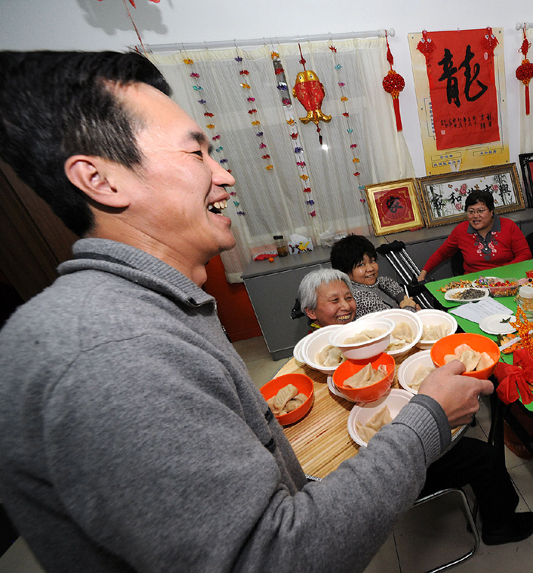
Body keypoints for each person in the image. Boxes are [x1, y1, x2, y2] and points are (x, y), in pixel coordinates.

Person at [0, 50, 498, 572]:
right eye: (196, 154)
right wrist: (428, 419)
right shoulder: (113, 353)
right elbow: (272, 555)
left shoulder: (152, 309)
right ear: (100, 180)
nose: (226, 176)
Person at [299, 268, 533, 546]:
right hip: (381, 470)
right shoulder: (316, 362)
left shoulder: (362, 340)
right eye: (334, 301)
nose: (345, 306)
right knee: (486, 456)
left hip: (387, 446)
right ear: (311, 312)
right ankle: (500, 526)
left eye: (348, 297)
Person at [416, 190, 531, 281]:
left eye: (480, 211)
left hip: (506, 280)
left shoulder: (508, 226)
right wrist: (424, 272)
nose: (475, 216)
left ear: (491, 212)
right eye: (471, 211)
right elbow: (442, 254)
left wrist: (501, 273)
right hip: (474, 284)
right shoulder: (461, 231)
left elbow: (525, 255)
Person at [330, 235, 419, 317]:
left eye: (372, 261)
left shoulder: (368, 284)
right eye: (361, 265)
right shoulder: (360, 299)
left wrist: (404, 299)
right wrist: (409, 307)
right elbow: (397, 324)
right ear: (344, 271)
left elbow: (386, 281)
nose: (370, 268)